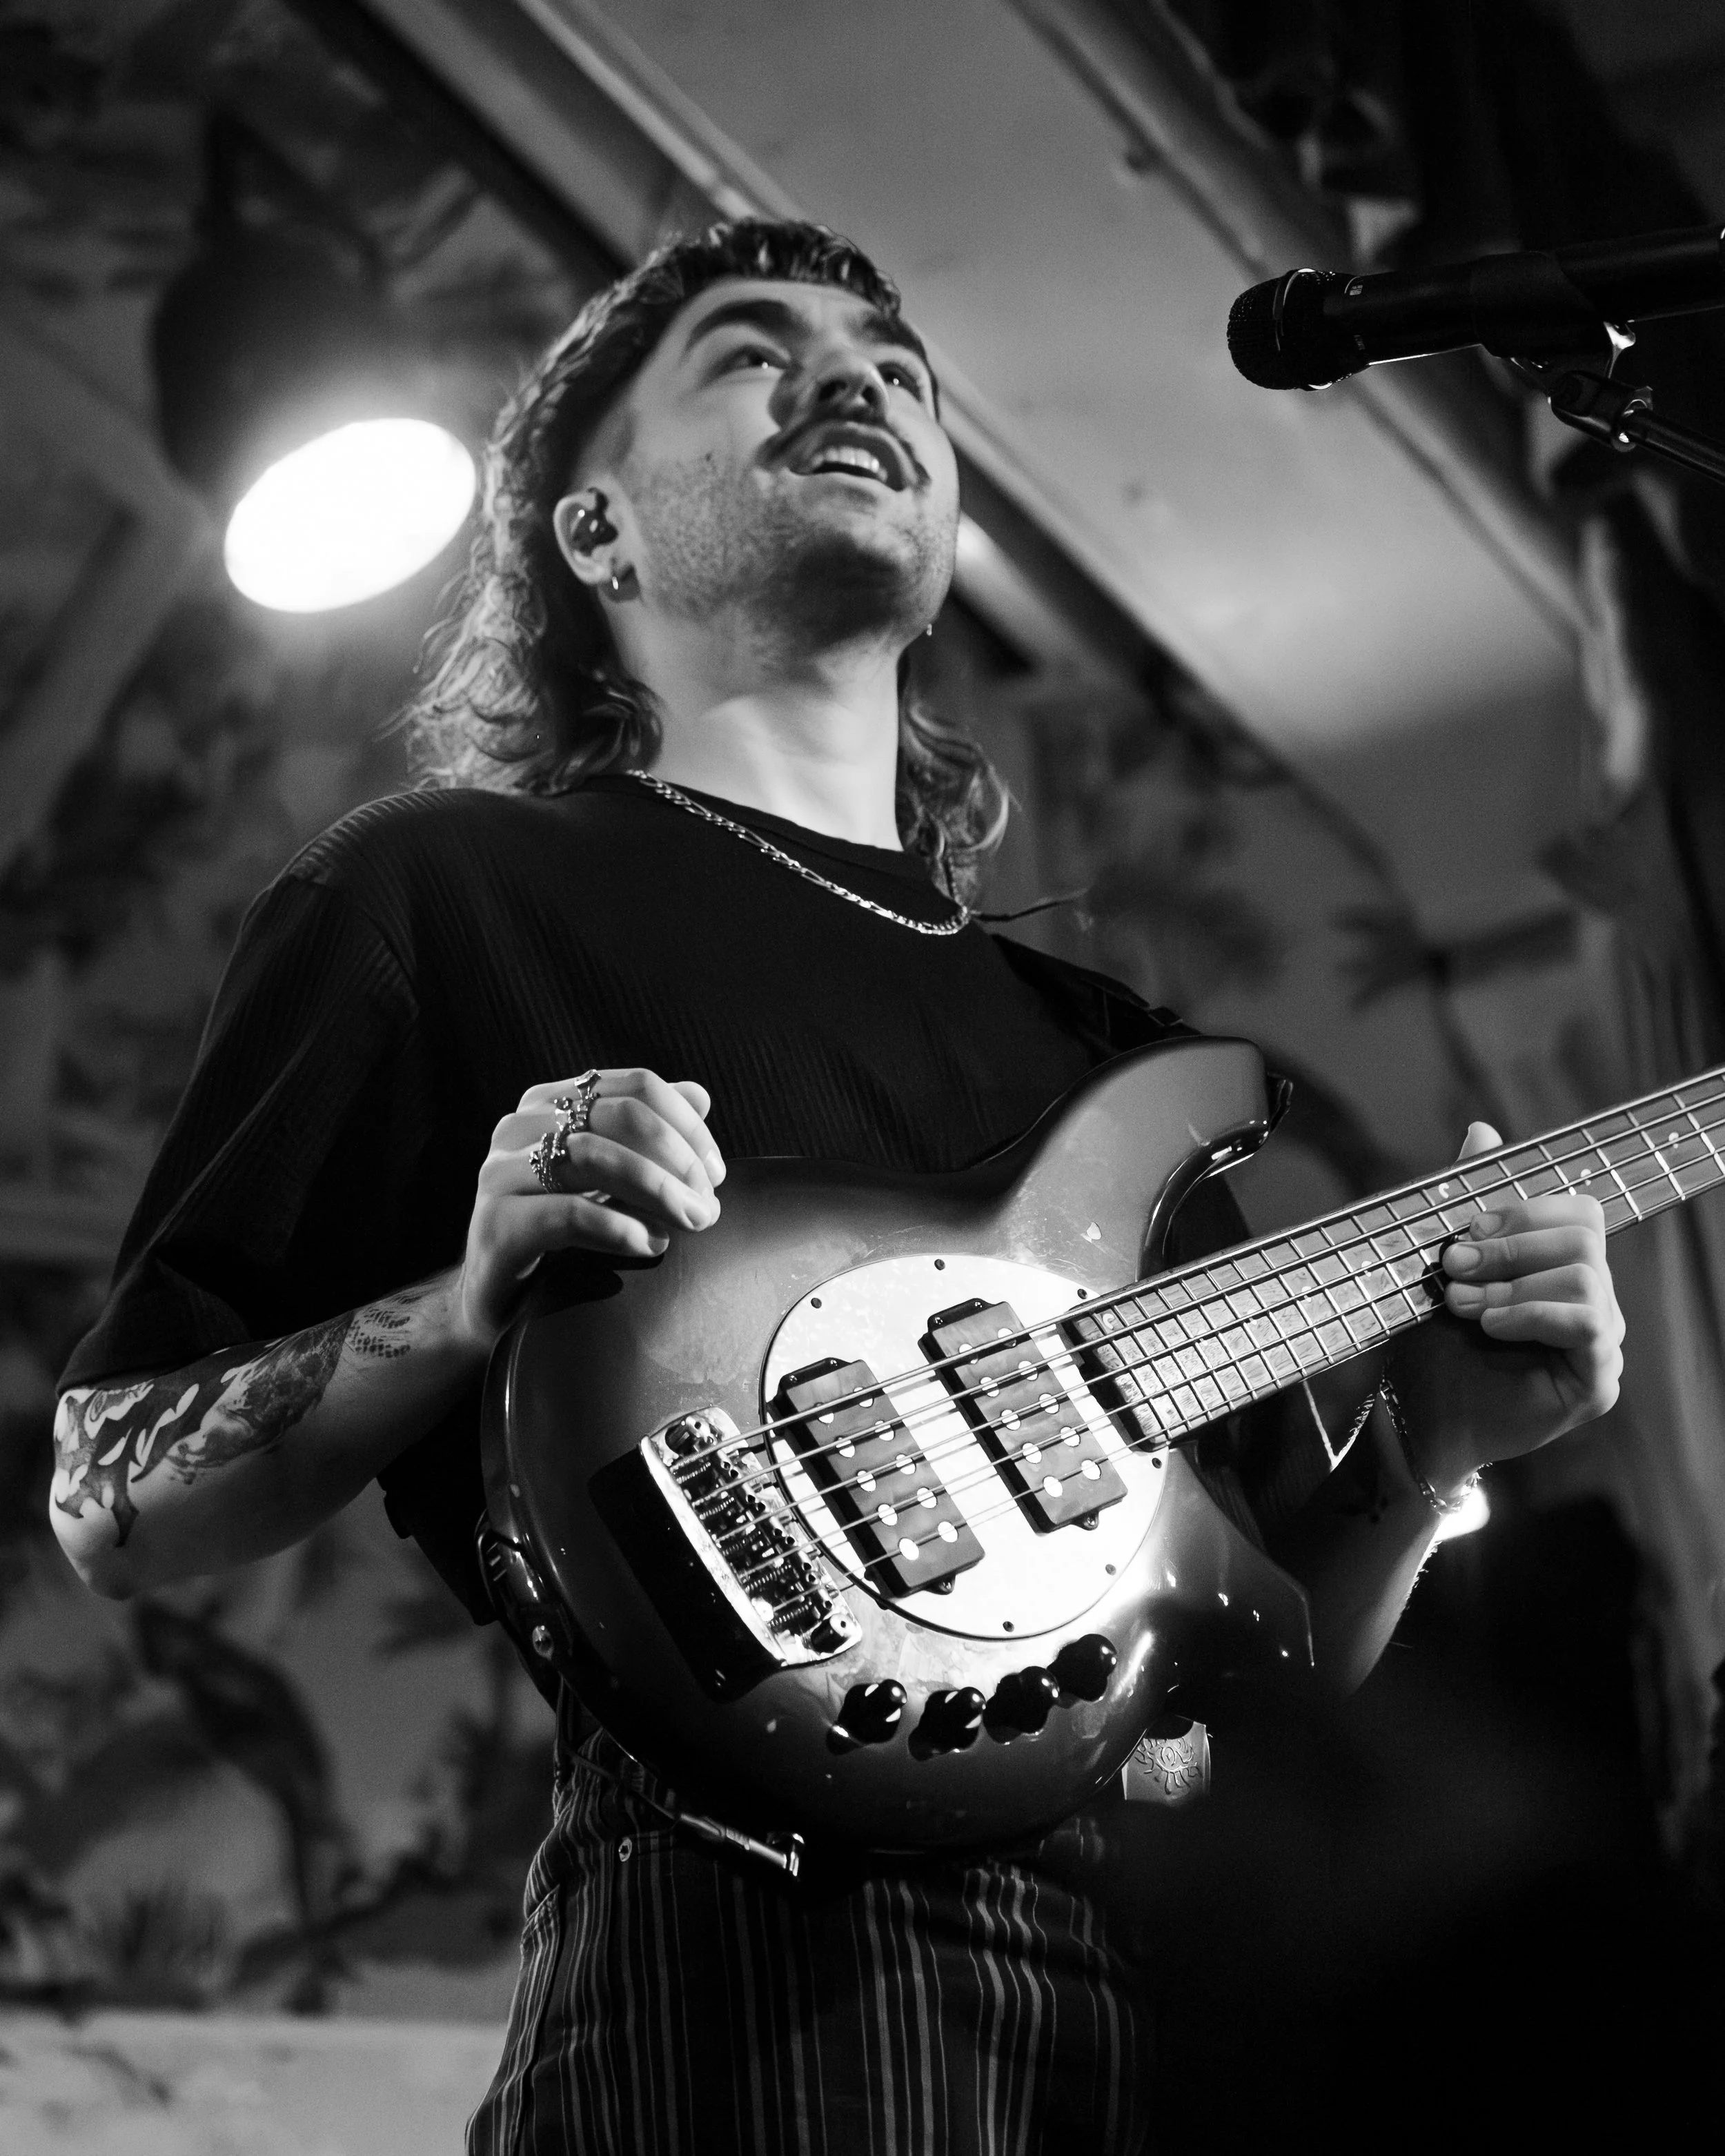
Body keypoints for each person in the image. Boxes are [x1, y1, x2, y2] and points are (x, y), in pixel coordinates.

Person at [48, 219, 1624, 2154]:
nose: (854, 376)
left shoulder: (1110, 1063)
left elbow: (1264, 1669)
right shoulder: (438, 894)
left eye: (895, 362)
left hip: (1173, 2000)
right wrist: (458, 1308)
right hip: (749, 1962)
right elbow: (113, 1490)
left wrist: (1433, 1449)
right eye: (747, 350)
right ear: (594, 530)